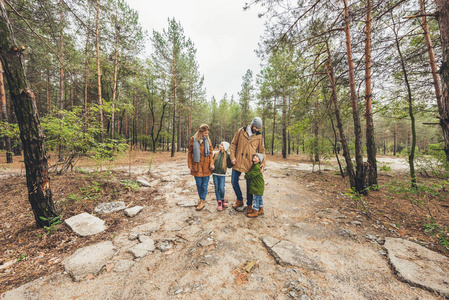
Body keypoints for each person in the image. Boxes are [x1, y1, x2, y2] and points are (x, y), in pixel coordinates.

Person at [230, 117, 266, 214]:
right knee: (233, 181)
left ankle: (249, 205)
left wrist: (262, 164)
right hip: (238, 160)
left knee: (250, 186)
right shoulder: (241, 131)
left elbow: (262, 151)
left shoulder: (259, 136)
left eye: (258, 128)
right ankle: (239, 200)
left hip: (250, 163)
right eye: (256, 127)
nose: (257, 130)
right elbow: (233, 144)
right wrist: (232, 157)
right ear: (252, 124)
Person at [188, 124, 213, 211]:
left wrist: (211, 163)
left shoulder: (208, 140)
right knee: (199, 184)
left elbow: (210, 153)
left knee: (204, 185)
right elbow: (190, 153)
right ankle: (201, 199)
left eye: (207, 133)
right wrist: (190, 164)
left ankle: (202, 200)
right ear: (201, 132)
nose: (206, 135)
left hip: (206, 166)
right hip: (197, 166)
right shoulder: (193, 139)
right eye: (205, 133)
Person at [210, 141, 232, 211]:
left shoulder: (227, 155)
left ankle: (222, 200)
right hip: (215, 174)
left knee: (221, 188)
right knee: (216, 188)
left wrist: (232, 163)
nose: (220, 146)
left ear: (225, 147)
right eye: (220, 144)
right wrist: (211, 165)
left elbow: (229, 166)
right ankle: (219, 202)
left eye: (222, 145)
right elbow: (212, 162)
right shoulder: (216, 154)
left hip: (222, 174)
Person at [244, 153, 265, 218]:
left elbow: (251, 174)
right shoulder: (255, 165)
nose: (254, 157)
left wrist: (246, 176)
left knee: (256, 198)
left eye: (257, 157)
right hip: (259, 185)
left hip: (257, 186)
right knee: (259, 198)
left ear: (259, 160)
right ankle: (261, 209)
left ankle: (255, 211)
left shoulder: (257, 167)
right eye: (254, 156)